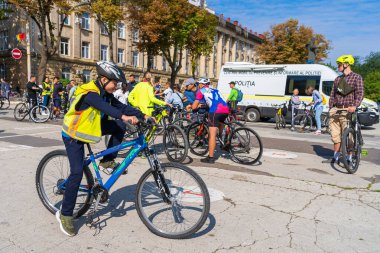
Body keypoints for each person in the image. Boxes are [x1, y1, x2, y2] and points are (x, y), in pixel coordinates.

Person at [57, 61, 149, 237]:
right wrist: (124, 117)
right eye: (115, 83)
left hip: (90, 129)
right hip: (73, 135)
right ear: (104, 79)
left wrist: (142, 115)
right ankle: (65, 214)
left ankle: (107, 161)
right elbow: (106, 108)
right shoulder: (90, 92)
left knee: (118, 127)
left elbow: (121, 106)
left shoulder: (105, 92)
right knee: (76, 173)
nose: (117, 87)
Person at [322, 55, 364, 164]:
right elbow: (332, 94)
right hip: (336, 110)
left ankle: (349, 158)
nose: (338, 67)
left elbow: (360, 93)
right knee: (335, 135)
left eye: (339, 64)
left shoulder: (356, 77)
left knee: (349, 136)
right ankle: (335, 157)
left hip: (348, 110)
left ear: (346, 64)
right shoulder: (337, 79)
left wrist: (354, 106)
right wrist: (331, 107)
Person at [192, 77, 230, 164]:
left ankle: (211, 157)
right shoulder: (215, 90)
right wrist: (203, 106)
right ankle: (223, 141)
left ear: (201, 84)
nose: (198, 86)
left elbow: (194, 107)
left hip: (215, 111)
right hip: (225, 110)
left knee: (212, 134)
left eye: (198, 84)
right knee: (220, 123)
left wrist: (193, 107)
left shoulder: (201, 91)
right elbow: (215, 100)